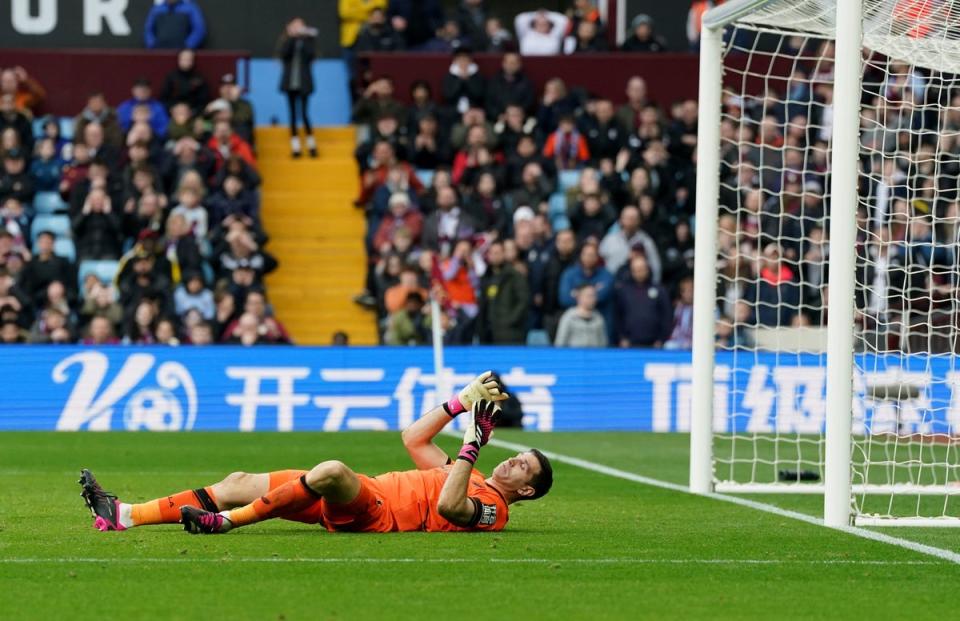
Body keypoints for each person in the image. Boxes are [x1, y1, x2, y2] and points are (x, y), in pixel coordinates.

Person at [79, 372, 553, 535]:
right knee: (239, 480)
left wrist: (473, 444)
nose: (512, 461)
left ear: (527, 489)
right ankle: (125, 514)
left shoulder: (494, 511)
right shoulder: (460, 472)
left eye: (522, 466)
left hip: (376, 513)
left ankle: (227, 524)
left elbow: (451, 506)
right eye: (518, 456)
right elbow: (412, 438)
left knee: (329, 470)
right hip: (364, 491)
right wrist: (461, 401)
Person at [277, 17, 319, 158]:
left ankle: (311, 145)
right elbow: (283, 54)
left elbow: (311, 55)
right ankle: (295, 147)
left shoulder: (308, 41)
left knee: (305, 114)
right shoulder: (287, 40)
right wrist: (291, 37)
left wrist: (305, 38)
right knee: (293, 115)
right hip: (290, 83)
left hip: (304, 83)